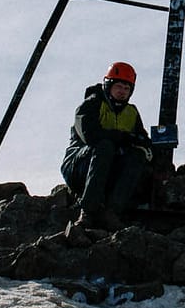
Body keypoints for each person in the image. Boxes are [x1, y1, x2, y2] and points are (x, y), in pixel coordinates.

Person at [62, 61, 153, 228]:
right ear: (108, 85)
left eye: (127, 89)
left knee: (137, 155)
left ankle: (112, 212)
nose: (122, 92)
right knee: (104, 146)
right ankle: (88, 211)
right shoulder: (91, 104)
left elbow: (142, 139)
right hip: (79, 166)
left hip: (108, 167)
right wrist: (125, 138)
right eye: (119, 87)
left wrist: (144, 147)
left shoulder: (131, 113)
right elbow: (90, 136)